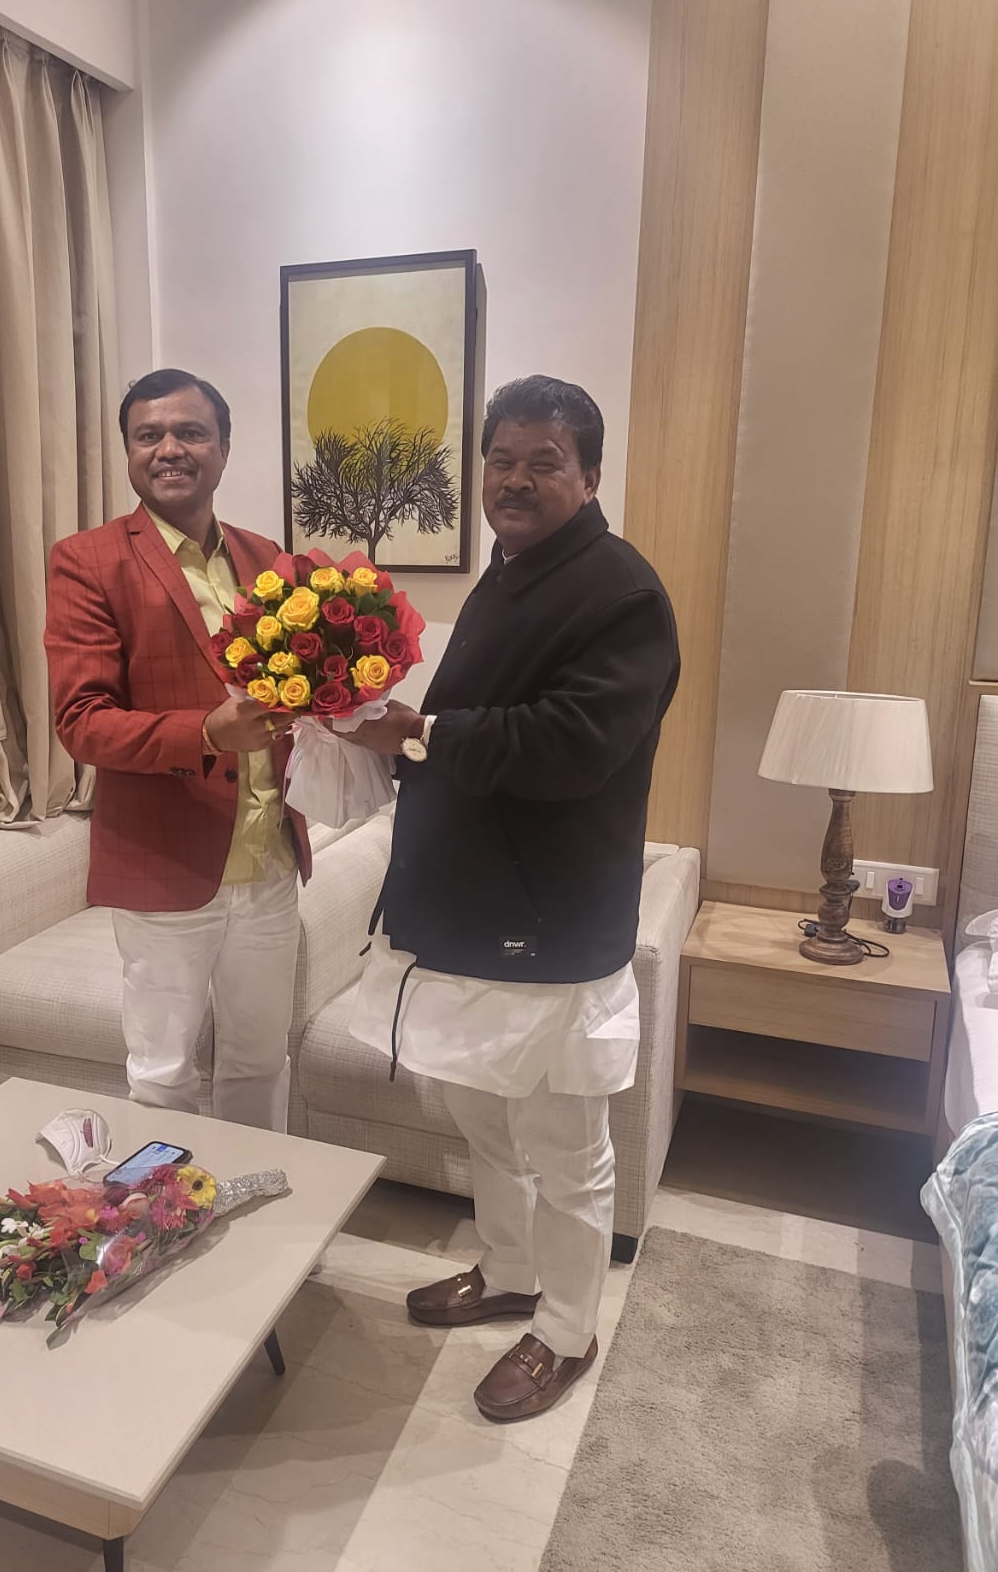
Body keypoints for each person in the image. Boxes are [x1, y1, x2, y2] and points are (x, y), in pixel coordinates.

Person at [344, 374, 679, 1421]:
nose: (516, 480)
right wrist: (395, 734)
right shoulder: (512, 573)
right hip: (468, 912)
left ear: (590, 475)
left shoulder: (621, 593)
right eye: (501, 460)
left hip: (549, 924)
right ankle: (507, 1271)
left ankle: (567, 1330)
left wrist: (419, 733)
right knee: (482, 1117)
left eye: (545, 462)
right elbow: (480, 724)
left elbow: (570, 746)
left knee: (566, 1148)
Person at [44, 368, 309, 1133]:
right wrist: (206, 733)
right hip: (163, 862)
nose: (169, 449)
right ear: (129, 451)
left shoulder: (268, 559)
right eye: (148, 435)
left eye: (190, 432)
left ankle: (255, 1197)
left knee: (261, 1060)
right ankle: (172, 1209)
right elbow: (83, 721)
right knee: (163, 1074)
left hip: (269, 859)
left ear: (223, 447)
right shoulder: (87, 560)